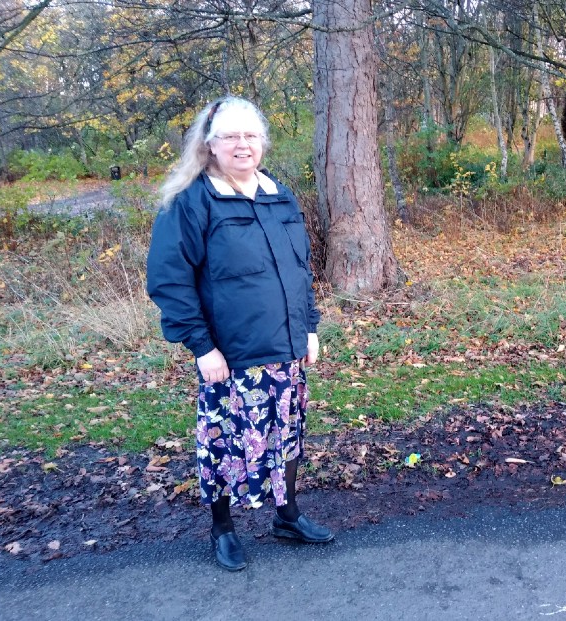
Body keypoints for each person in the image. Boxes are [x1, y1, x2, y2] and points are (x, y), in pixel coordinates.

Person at [146, 96, 333, 572]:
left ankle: (287, 516)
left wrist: (309, 327)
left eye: (251, 135)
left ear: (263, 142)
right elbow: (169, 281)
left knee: (287, 435)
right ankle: (222, 528)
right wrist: (202, 346)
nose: (243, 144)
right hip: (230, 356)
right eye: (231, 135)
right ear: (210, 144)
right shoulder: (192, 202)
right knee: (225, 443)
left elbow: (299, 269)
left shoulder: (279, 195)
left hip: (286, 347)